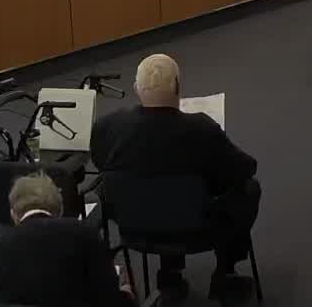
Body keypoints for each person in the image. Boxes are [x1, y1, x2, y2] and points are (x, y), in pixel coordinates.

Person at [91, 54, 260, 302]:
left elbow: (100, 164)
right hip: (198, 228)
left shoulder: (107, 127)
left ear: (136, 88)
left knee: (159, 191)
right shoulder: (202, 129)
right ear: (178, 86)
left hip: (134, 226)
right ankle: (225, 272)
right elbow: (244, 169)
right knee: (249, 189)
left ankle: (170, 274)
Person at [0, 172, 135, 307]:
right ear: (60, 210)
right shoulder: (85, 234)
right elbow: (107, 297)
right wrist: (126, 295)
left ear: (13, 214)